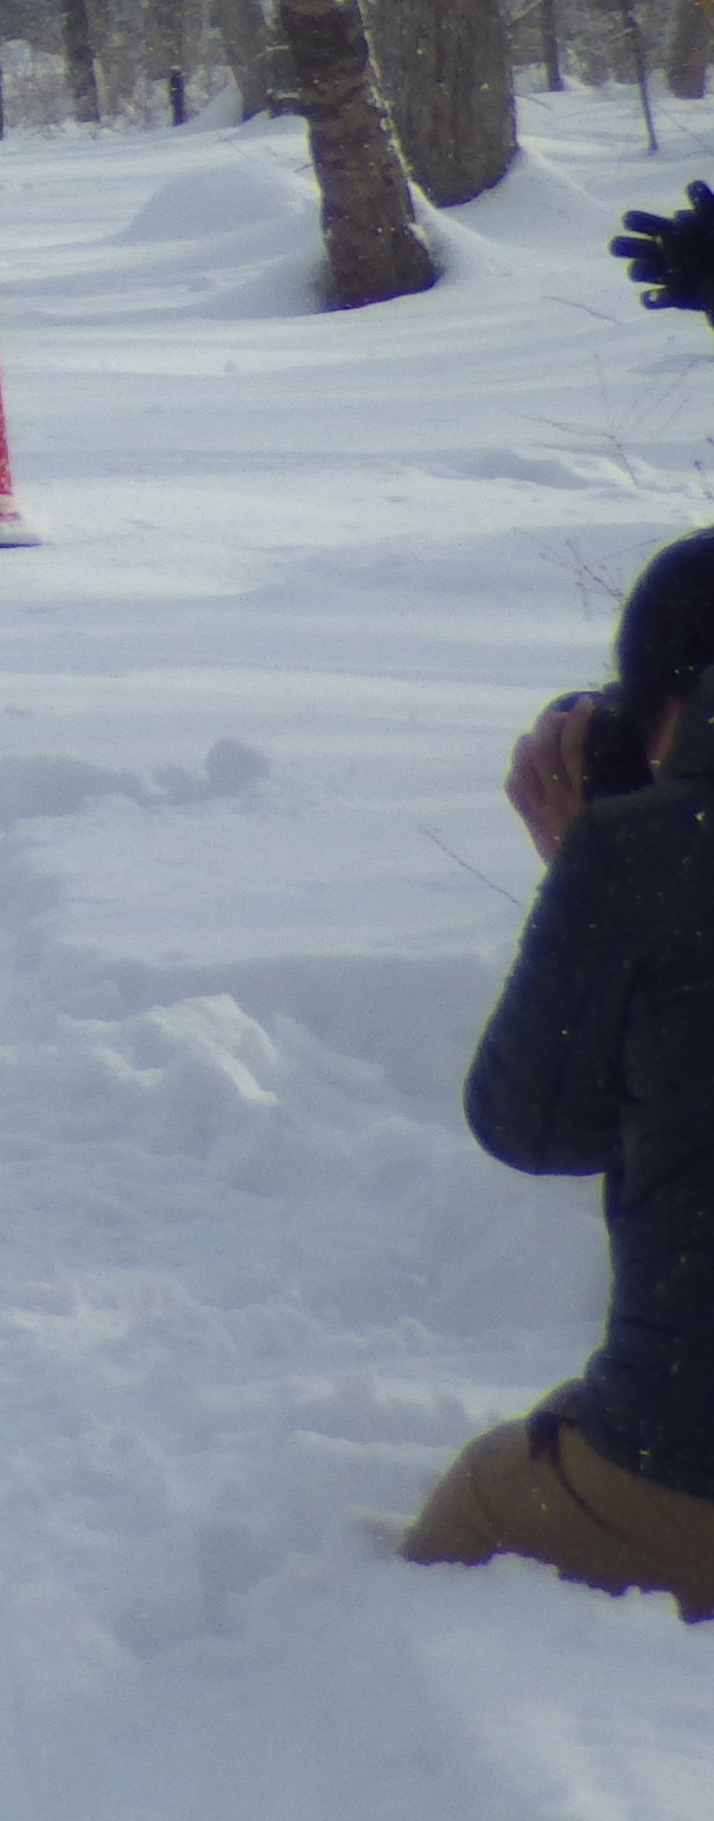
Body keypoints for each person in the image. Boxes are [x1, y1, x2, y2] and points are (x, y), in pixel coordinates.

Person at [404, 534, 714, 1618]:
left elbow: (533, 1125)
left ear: (666, 706)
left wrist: (590, 874)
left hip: (690, 1466)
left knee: (468, 1521)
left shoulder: (647, 856)